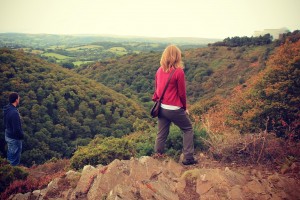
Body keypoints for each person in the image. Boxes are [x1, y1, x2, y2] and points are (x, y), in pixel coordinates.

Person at [152, 45, 197, 165]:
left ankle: (158, 155)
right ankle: (188, 158)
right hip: (174, 108)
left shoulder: (159, 70)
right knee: (188, 129)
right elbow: (182, 93)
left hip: (162, 108)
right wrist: (184, 107)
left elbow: (157, 91)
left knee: (161, 133)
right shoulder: (178, 72)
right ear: (177, 56)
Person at [3, 92, 24, 166]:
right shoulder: (14, 112)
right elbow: (16, 130)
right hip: (14, 138)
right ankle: (12, 174)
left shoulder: (7, 109)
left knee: (11, 155)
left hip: (8, 134)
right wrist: (22, 136)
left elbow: (5, 122)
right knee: (14, 160)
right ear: (16, 100)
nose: (19, 99)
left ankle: (8, 170)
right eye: (18, 98)